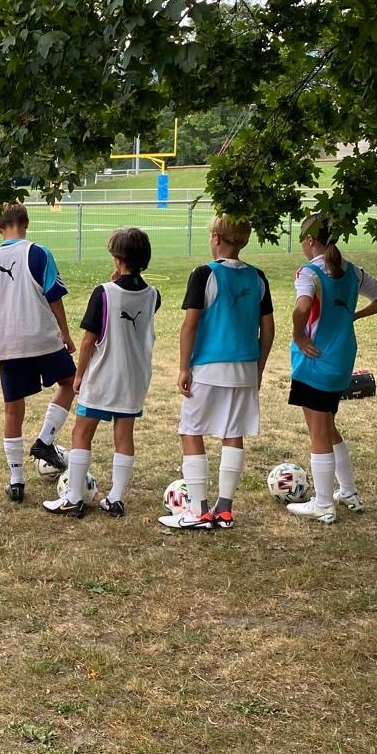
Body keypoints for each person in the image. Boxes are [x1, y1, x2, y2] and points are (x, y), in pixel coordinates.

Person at [159, 216, 275, 531]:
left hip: (209, 367)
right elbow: (268, 328)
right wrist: (259, 367)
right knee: (231, 433)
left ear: (215, 237)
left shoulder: (204, 275)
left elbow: (190, 324)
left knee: (191, 431)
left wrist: (184, 366)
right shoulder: (257, 277)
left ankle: (198, 510)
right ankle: (224, 510)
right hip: (245, 369)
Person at [287, 215, 377, 523]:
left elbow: (302, 308)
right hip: (341, 360)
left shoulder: (309, 273)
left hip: (315, 361)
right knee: (329, 427)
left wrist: (299, 335)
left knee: (318, 432)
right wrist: (355, 315)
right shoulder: (352, 271)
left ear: (310, 241)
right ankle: (347, 491)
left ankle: (323, 504)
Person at [44, 227, 159, 519]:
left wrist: (80, 375)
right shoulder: (153, 295)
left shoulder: (104, 293)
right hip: (135, 377)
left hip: (105, 374)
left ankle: (72, 498)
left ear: (117, 258)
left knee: (82, 432)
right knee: (124, 434)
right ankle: (116, 499)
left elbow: (89, 340)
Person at [0, 202, 76, 502]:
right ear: (26, 222)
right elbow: (54, 296)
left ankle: (16, 479)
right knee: (71, 382)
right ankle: (45, 441)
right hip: (41, 337)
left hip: (7, 342)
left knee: (13, 408)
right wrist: (65, 332)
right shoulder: (38, 253)